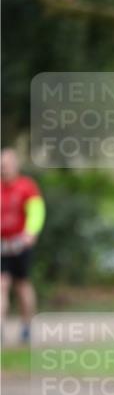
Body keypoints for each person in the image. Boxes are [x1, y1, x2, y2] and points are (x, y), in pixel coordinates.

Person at [1, 147, 45, 343]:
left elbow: (36, 211)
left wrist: (30, 232)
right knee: (2, 284)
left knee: (22, 285)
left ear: (15, 165)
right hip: (2, 244)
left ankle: (27, 324)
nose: (4, 169)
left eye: (7, 165)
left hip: (20, 244)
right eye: (1, 166)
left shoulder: (26, 186)